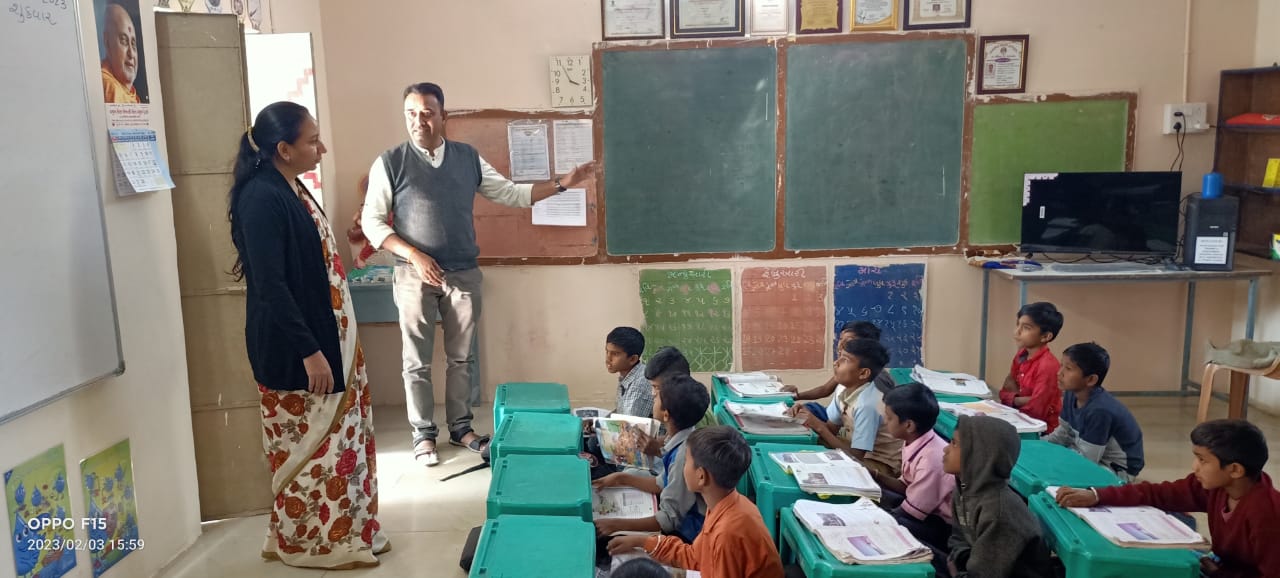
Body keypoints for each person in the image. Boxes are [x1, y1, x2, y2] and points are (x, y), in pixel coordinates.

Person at [360, 82, 596, 466]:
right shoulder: (390, 162)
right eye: (411, 113)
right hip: (413, 274)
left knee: (461, 359)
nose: (419, 121)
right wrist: (414, 254)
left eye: (427, 113)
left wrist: (561, 184)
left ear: (443, 116)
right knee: (415, 361)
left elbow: (510, 194)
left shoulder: (467, 158)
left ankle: (461, 428)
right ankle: (423, 436)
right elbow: (372, 222)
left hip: (462, 273)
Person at [228, 102, 388, 569]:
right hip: (299, 352)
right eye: (312, 140)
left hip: (330, 343)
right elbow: (272, 286)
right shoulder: (260, 198)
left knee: (344, 443)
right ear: (283, 149)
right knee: (310, 449)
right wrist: (311, 352)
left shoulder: (291, 185)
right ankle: (310, 542)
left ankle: (351, 530)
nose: (321, 147)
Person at [1057, 419, 1280, 577]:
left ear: (1234, 470)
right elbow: (1157, 494)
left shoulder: (1267, 514)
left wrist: (1221, 574)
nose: (1195, 467)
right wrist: (1097, 495)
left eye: (1202, 460)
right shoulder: (1218, 486)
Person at [607, 426, 785, 578]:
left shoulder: (727, 534)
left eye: (686, 462)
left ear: (701, 476)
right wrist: (642, 541)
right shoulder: (726, 505)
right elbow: (696, 556)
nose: (682, 467)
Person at [593, 375, 711, 544]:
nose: (652, 397)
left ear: (666, 415)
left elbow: (669, 520)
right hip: (678, 514)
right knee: (629, 474)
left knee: (605, 539)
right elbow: (661, 483)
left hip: (688, 533)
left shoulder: (684, 456)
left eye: (656, 397)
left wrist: (615, 524)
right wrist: (621, 478)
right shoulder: (680, 437)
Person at [944, 416, 1052, 578]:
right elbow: (957, 539)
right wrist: (959, 561)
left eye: (954, 443)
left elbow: (984, 574)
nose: (945, 449)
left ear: (979, 455)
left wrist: (956, 569)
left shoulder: (999, 511)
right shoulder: (965, 489)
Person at [870, 383, 954, 564]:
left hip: (942, 528)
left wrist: (878, 518)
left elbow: (911, 513)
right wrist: (874, 475)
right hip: (922, 509)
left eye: (889, 417)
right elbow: (906, 486)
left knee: (884, 524)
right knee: (873, 496)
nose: (885, 421)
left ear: (908, 425)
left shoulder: (932, 459)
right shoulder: (915, 440)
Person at [794, 339, 902, 477]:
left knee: (826, 471)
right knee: (801, 444)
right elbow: (831, 430)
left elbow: (856, 457)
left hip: (879, 463)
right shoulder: (842, 388)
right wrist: (807, 416)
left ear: (863, 373)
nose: (836, 363)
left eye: (845, 360)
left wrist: (818, 426)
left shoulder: (868, 405)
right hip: (853, 448)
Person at [1041, 342, 1145, 481]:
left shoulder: (1100, 411)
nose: (1059, 372)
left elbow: (1087, 462)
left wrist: (1054, 461)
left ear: (1090, 379)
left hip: (1117, 469)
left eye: (1068, 368)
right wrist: (1039, 445)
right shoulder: (1071, 394)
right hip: (1089, 454)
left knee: (1062, 476)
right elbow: (1063, 433)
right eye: (1061, 365)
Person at [999, 302, 1064, 432]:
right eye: (1018, 324)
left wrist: (1014, 400)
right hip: (1017, 418)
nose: (1017, 331)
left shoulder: (1048, 366)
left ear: (1046, 336)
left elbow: (1037, 410)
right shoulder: (1021, 355)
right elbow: (1005, 390)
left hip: (1040, 430)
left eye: (1026, 328)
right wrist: (1022, 400)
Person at [101, 2, 141, 104]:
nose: (131, 53)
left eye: (133, 43)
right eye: (124, 41)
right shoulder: (109, 87)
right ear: (107, 43)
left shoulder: (128, 92)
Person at [608, 327, 652, 418]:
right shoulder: (626, 376)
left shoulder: (640, 385)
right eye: (607, 351)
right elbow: (621, 413)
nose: (608, 358)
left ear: (632, 359)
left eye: (615, 354)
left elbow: (630, 428)